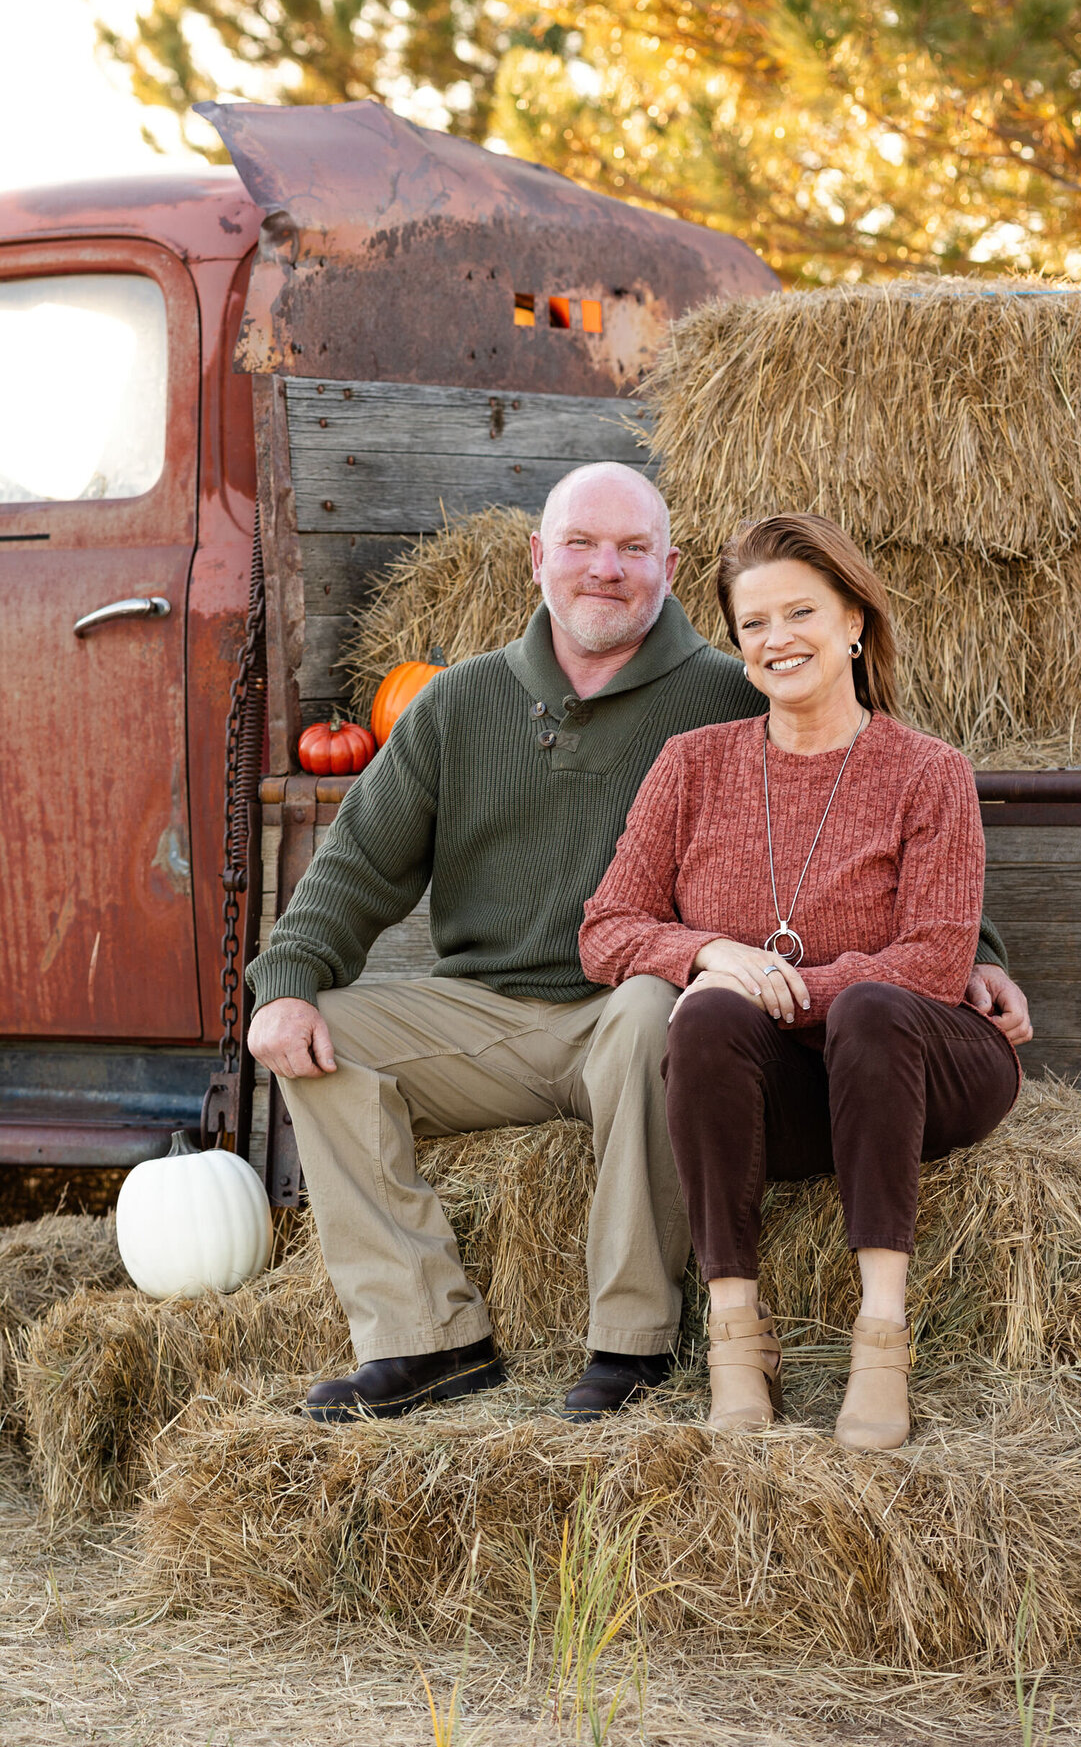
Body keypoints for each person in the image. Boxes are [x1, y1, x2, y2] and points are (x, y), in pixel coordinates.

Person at [245, 467, 1029, 1425]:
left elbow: (858, 790)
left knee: (666, 1007)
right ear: (539, 558)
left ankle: (632, 1342)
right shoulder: (456, 705)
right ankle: (426, 1339)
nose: (603, 570)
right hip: (492, 1012)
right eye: (580, 544)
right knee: (315, 1038)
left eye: (632, 550)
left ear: (667, 568)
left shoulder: (725, 690)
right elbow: (357, 864)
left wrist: (969, 953)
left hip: (634, 1009)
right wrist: (285, 981)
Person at [579, 513, 1022, 1450]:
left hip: (912, 1064)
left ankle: (881, 1333)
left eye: (801, 612)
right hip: (781, 1092)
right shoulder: (693, 765)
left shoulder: (928, 771)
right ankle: (739, 1341)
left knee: (867, 1004)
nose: (777, 638)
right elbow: (606, 928)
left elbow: (940, 956)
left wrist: (796, 987)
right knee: (698, 1021)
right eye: (753, 624)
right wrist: (710, 958)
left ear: (854, 619)